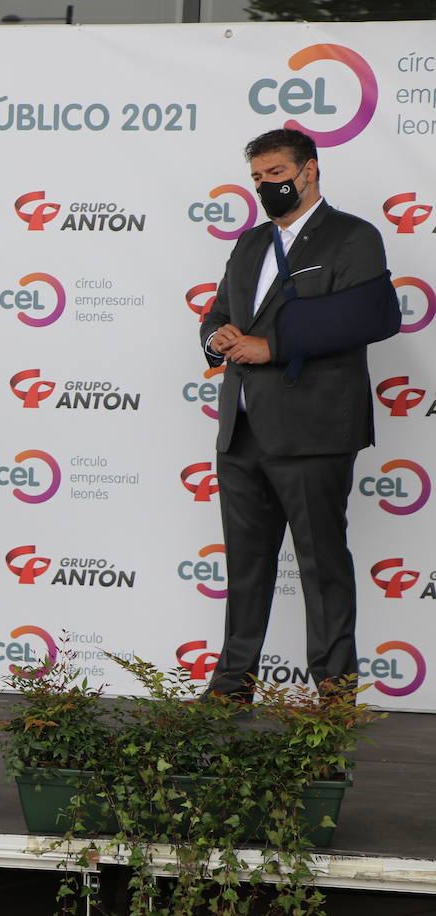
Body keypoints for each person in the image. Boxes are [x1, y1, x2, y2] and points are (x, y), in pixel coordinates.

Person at [199, 128, 399, 702]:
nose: (267, 187)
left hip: (313, 430)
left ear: (309, 171)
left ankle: (333, 695)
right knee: (245, 568)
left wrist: (272, 344)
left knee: (321, 563)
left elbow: (370, 316)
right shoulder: (250, 243)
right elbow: (217, 312)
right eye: (258, 179)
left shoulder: (352, 238)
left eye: (277, 175)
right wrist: (218, 337)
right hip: (241, 430)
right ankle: (231, 687)